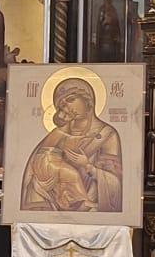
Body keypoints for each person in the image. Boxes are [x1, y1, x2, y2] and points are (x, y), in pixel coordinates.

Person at [20, 77, 123, 213]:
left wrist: (88, 166)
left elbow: (115, 182)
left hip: (92, 211)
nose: (67, 107)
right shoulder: (59, 133)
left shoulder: (107, 135)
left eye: (70, 99)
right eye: (62, 105)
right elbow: (36, 168)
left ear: (88, 99)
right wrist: (42, 182)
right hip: (53, 207)